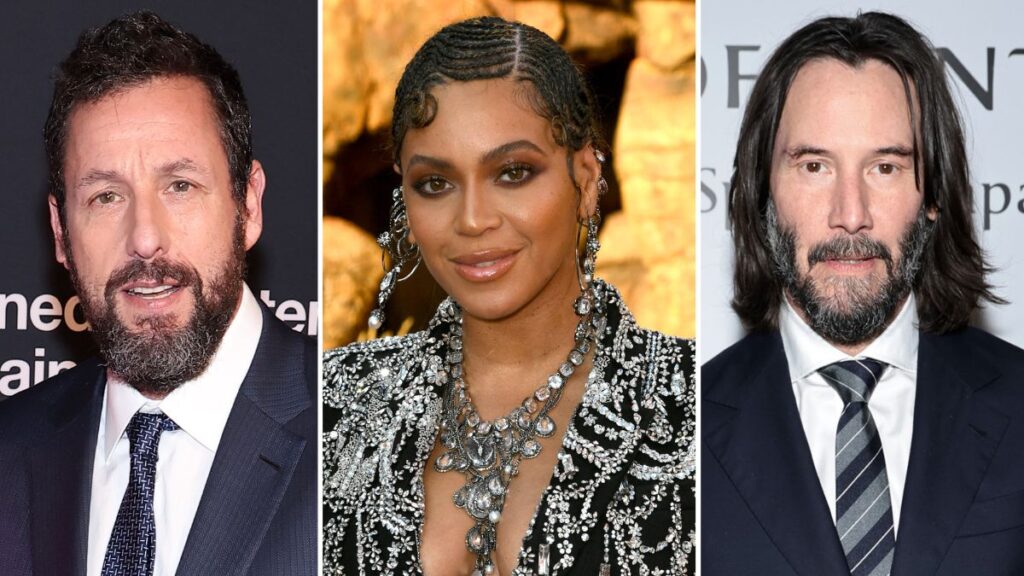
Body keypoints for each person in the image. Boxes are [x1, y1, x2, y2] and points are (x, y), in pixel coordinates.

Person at [322, 17, 694, 576]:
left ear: (588, 179)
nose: (472, 220)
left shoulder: (692, 407)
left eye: (513, 172)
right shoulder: (335, 402)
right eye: (435, 183)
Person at [702, 11, 1024, 576]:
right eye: (814, 165)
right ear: (762, 193)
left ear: (933, 196)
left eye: (884, 167)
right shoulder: (684, 427)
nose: (850, 215)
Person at [0, 12, 316, 576]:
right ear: (59, 231)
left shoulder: (359, 434)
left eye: (180, 186)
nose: (145, 238)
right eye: (105, 197)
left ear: (249, 206)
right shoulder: (10, 451)